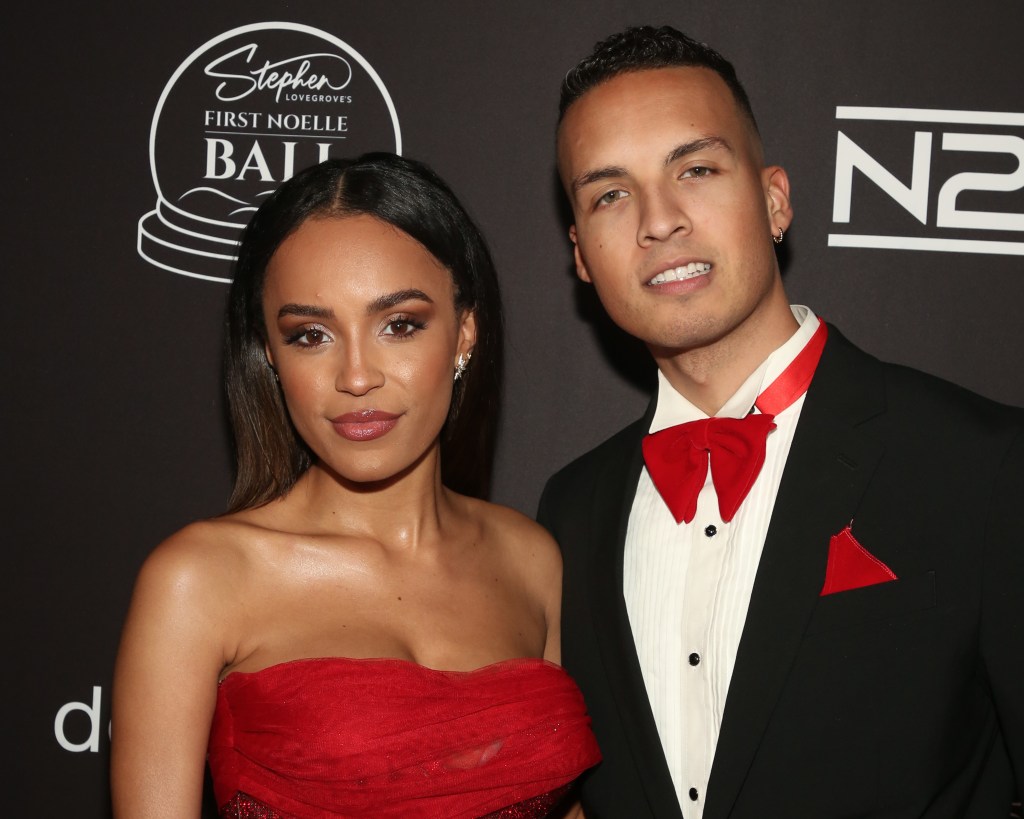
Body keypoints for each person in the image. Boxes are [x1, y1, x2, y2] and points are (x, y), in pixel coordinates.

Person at [538, 25, 1023, 819]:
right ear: (582, 254)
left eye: (694, 169)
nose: (658, 221)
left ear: (774, 200)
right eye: (610, 194)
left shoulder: (984, 464)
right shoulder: (572, 510)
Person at [112, 153, 600, 819]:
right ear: (270, 358)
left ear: (464, 333)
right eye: (310, 334)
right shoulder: (199, 578)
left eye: (399, 324)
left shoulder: (531, 558)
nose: (357, 375)